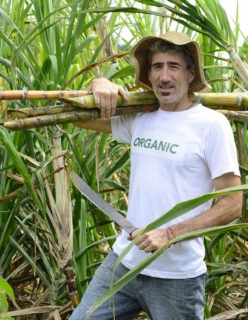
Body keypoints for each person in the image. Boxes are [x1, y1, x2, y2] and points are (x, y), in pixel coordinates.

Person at [70, 31, 242, 320]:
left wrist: (169, 234)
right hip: (123, 261)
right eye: (156, 66)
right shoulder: (141, 118)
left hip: (176, 278)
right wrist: (96, 84)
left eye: (173, 66)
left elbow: (232, 204)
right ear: (148, 75)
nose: (164, 76)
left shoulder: (212, 125)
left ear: (190, 74)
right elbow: (78, 117)